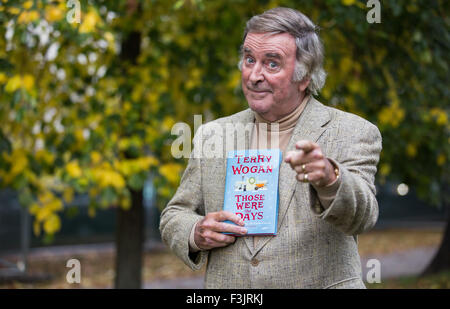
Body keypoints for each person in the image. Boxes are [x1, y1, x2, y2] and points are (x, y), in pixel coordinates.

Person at [159, 7, 382, 289]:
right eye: (249, 59)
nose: (253, 75)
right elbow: (174, 214)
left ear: (304, 75)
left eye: (272, 64)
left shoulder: (353, 131)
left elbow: (363, 217)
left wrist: (329, 179)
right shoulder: (212, 134)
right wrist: (196, 232)